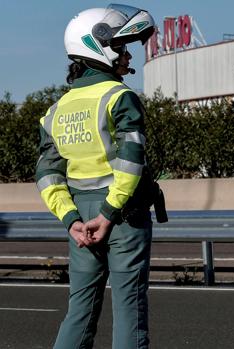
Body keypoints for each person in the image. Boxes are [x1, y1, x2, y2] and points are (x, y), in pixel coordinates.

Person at [35, 4, 157, 348]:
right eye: (120, 46)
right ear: (99, 46)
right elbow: (131, 159)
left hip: (80, 217)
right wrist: (108, 213)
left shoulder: (56, 109)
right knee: (129, 310)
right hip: (121, 216)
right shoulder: (119, 97)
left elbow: (47, 174)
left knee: (80, 310)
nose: (126, 54)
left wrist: (71, 219)